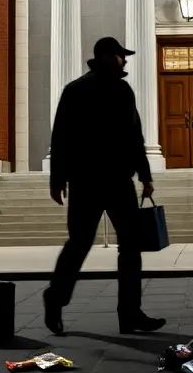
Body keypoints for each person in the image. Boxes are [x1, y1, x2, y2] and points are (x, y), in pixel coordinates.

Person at [42, 36, 166, 336]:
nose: (125, 60)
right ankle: (58, 299)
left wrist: (145, 175)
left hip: (110, 180)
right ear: (107, 56)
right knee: (84, 243)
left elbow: (133, 136)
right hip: (90, 181)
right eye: (121, 56)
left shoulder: (119, 90)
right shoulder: (78, 90)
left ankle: (129, 314)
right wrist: (57, 178)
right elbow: (62, 136)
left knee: (123, 245)